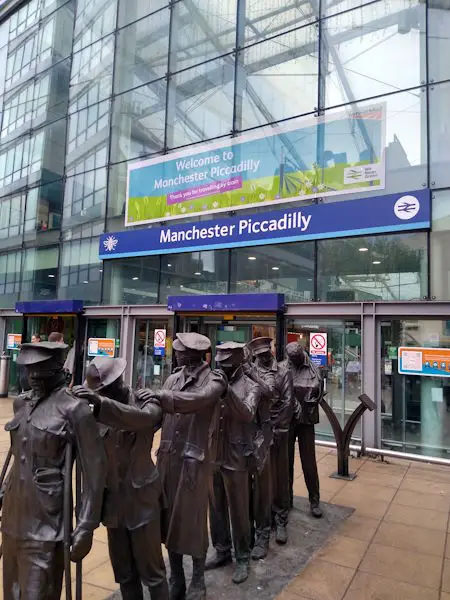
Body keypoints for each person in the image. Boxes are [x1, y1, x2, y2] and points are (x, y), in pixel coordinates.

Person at [1, 342, 106, 600]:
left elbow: (95, 471)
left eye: (40, 372)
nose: (33, 378)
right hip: (13, 521)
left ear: (58, 371)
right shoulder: (21, 405)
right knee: (11, 593)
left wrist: (86, 526)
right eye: (29, 371)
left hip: (47, 526)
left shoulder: (75, 410)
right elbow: (17, 456)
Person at [138, 332, 227, 600]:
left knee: (193, 522)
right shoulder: (173, 378)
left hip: (195, 462)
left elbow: (196, 402)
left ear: (193, 353)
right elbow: (159, 416)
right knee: (168, 522)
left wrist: (161, 396)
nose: (175, 352)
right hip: (168, 458)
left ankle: (198, 579)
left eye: (179, 349)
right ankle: (176, 576)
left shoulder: (213, 380)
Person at [72, 357, 169, 600]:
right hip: (113, 504)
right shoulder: (92, 415)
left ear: (114, 385)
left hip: (142, 502)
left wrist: (99, 402)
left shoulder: (146, 403)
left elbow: (140, 419)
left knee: (153, 574)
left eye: (101, 391)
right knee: (125, 574)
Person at [206, 342, 260, 584]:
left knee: (238, 508)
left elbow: (247, 413)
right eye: (221, 364)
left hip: (237, 453)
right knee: (215, 505)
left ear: (238, 362)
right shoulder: (213, 382)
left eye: (227, 364)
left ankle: (242, 557)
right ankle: (221, 550)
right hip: (214, 451)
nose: (223, 368)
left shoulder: (251, 385)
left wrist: (226, 391)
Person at [243, 337, 276, 561]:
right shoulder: (240, 373)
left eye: (267, 354)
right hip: (242, 436)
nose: (266, 358)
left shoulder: (265, 373)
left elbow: (270, 392)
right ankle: (246, 534)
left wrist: (251, 372)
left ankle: (263, 534)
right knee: (244, 489)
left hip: (261, 435)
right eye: (261, 355)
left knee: (262, 489)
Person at [285, 342, 323, 518]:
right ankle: (287, 498)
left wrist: (303, 399)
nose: (292, 361)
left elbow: (317, 391)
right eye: (290, 359)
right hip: (288, 420)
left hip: (306, 420)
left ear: (301, 355)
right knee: (286, 461)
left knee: (309, 462)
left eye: (295, 358)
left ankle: (314, 500)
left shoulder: (314, 369)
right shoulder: (285, 366)